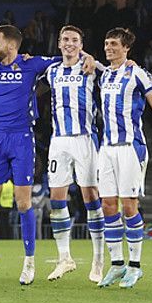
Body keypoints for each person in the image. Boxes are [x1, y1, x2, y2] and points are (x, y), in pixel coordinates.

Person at [0, 25, 91, 284]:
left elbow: (68, 56)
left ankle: (29, 263)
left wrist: (89, 57)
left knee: (23, 202)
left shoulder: (32, 64)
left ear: (11, 45)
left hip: (22, 139)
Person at [40, 25, 104, 282]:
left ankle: (98, 260)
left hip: (85, 140)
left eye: (74, 40)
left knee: (91, 196)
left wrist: (91, 58)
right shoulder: (52, 71)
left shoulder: (90, 68)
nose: (69, 44)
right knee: (57, 197)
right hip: (59, 141)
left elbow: (116, 71)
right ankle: (64, 257)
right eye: (65, 39)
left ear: (81, 44)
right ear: (58, 43)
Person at [95, 28, 151, 289]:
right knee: (107, 204)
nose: (109, 48)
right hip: (106, 147)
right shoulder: (105, 75)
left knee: (129, 206)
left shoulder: (137, 73)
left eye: (114, 44)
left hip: (130, 146)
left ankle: (135, 266)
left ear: (126, 48)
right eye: (106, 44)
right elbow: (84, 58)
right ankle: (117, 264)